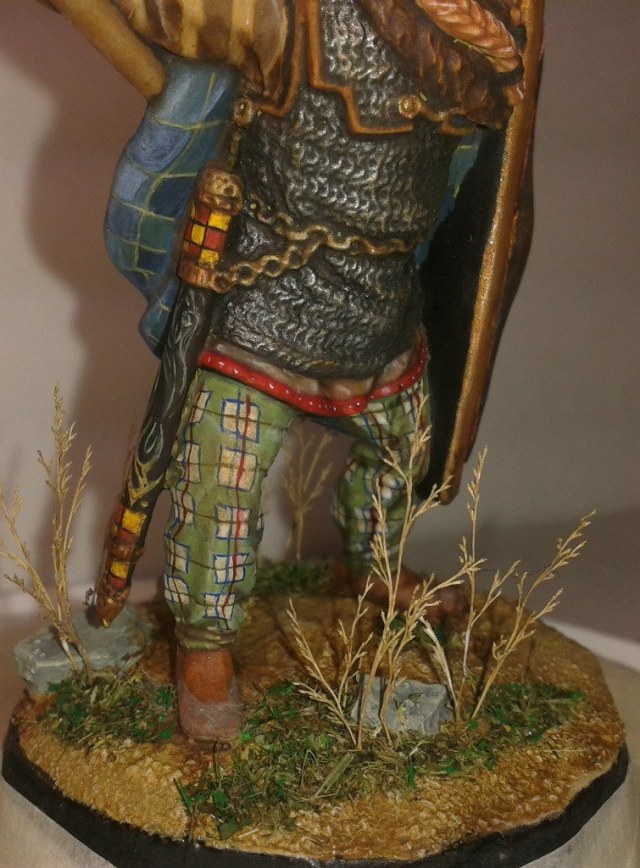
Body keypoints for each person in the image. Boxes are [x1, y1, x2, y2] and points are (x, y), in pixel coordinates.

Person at [62, 0, 542, 740]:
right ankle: (205, 647)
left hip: (384, 309)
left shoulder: (484, 44)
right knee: (219, 478)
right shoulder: (289, 16)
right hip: (259, 306)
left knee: (402, 453)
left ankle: (375, 567)